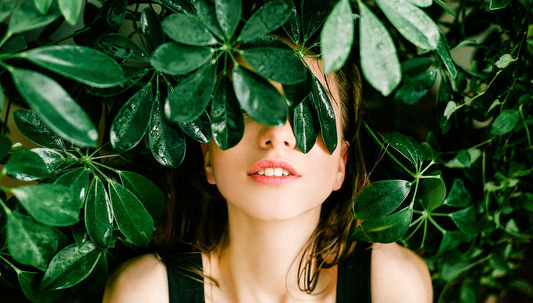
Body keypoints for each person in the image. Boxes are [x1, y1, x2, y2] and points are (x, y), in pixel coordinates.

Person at [103, 39, 433, 302]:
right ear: (208, 155)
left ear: (341, 164)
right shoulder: (146, 293)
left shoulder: (390, 285)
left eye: (309, 113)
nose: (277, 134)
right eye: (248, 105)